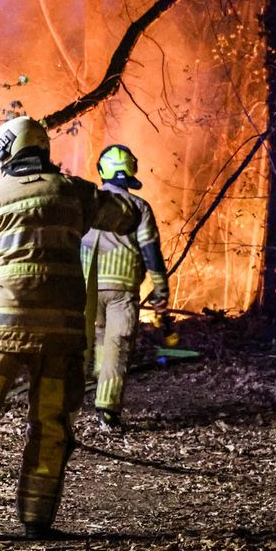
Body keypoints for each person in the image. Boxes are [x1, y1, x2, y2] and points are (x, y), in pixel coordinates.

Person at [0, 116, 139, 539]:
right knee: (52, 421)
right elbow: (125, 216)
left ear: (5, 154)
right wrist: (105, 189)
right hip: (63, 335)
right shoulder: (74, 193)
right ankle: (37, 518)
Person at [82, 144, 170, 429]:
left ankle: (90, 385)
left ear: (102, 171)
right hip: (122, 291)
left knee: (95, 340)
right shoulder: (139, 207)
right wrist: (160, 289)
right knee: (117, 346)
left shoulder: (87, 202)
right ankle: (106, 409)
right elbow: (151, 251)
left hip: (86, 290)